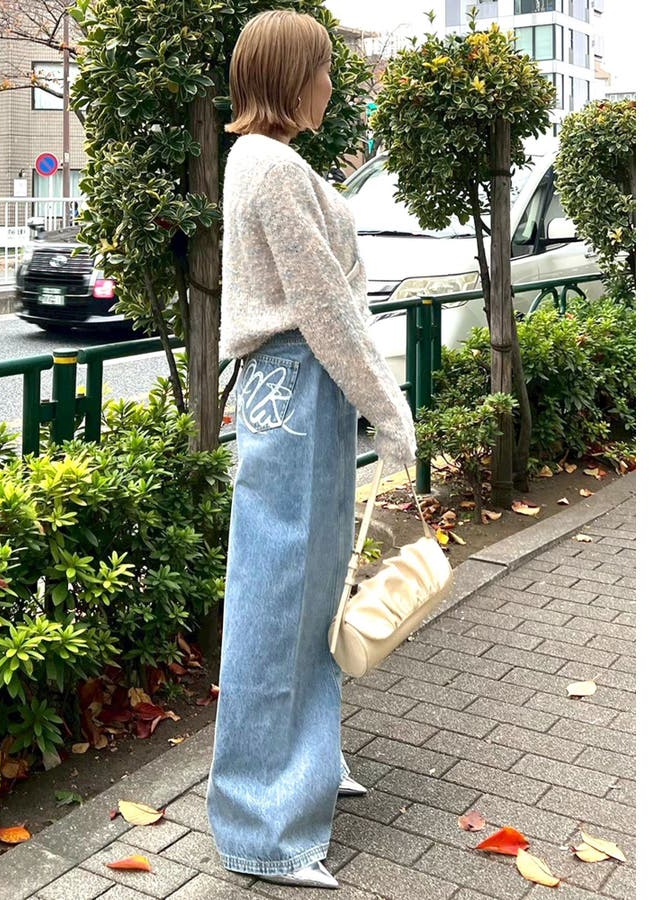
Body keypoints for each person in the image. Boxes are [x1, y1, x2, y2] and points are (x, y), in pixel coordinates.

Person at [206, 9, 417, 890]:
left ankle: (307, 765)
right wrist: (392, 414)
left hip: (295, 386)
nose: (332, 84)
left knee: (308, 591)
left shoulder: (267, 160)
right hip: (296, 382)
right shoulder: (271, 165)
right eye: (324, 70)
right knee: (281, 595)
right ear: (292, 78)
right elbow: (326, 307)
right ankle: (263, 828)